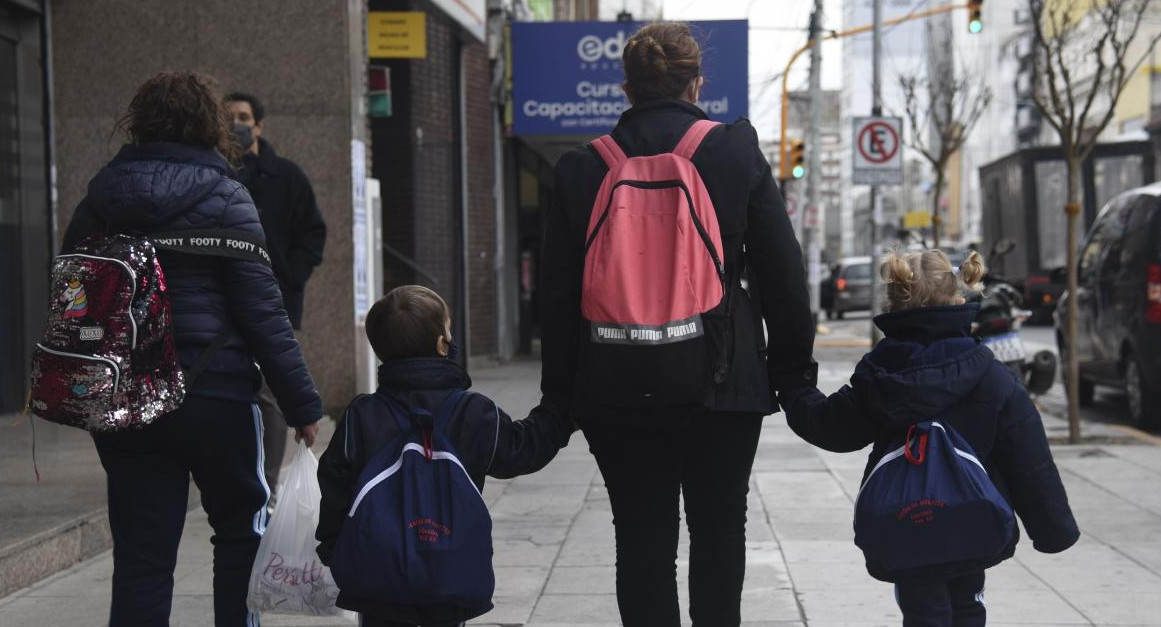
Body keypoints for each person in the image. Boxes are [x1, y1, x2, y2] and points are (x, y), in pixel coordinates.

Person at [539, 22, 816, 626]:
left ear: (626, 88)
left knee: (640, 536)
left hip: (614, 382)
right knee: (719, 531)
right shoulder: (733, 150)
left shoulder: (582, 168)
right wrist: (793, 375)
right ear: (697, 83)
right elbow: (783, 273)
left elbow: (558, 297)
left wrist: (559, 397)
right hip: (723, 381)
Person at [62, 71, 323, 627]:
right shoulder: (228, 196)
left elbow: (72, 296)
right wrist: (302, 405)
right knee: (238, 537)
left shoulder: (101, 198)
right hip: (218, 395)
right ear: (212, 124)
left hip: (129, 400)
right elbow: (263, 312)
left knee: (141, 556)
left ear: (139, 123)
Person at [779, 250, 1079, 626]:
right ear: (958, 299)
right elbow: (1028, 457)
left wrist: (794, 389)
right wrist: (1053, 529)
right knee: (968, 603)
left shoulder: (879, 375)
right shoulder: (990, 375)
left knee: (923, 609)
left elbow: (830, 427)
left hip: (905, 519)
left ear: (895, 301)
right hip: (974, 517)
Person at [316, 285, 575, 627]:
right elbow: (522, 449)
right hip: (450, 572)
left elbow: (335, 480)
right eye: (449, 330)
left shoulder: (363, 415)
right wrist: (562, 411)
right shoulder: (473, 412)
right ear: (442, 346)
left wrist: (334, 546)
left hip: (379, 574)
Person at [225, 91, 327, 499]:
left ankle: (264, 482)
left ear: (259, 125)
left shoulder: (286, 175)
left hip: (274, 299)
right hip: (225, 300)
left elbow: (312, 232)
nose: (237, 122)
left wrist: (293, 277)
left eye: (244, 116)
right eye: (229, 116)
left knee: (268, 392)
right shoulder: (217, 173)